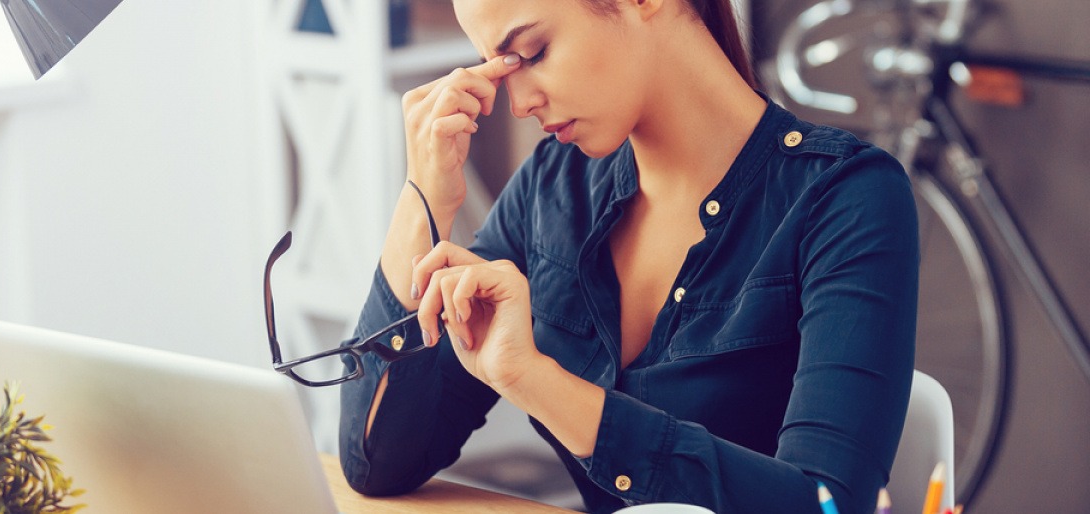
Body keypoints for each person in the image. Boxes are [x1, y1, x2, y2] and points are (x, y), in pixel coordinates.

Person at [337, 0, 919, 513]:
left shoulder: (846, 198)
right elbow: (378, 466)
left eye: (533, 52)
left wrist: (537, 381)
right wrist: (424, 197)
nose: (517, 103)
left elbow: (826, 506)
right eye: (498, 67)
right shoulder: (551, 190)